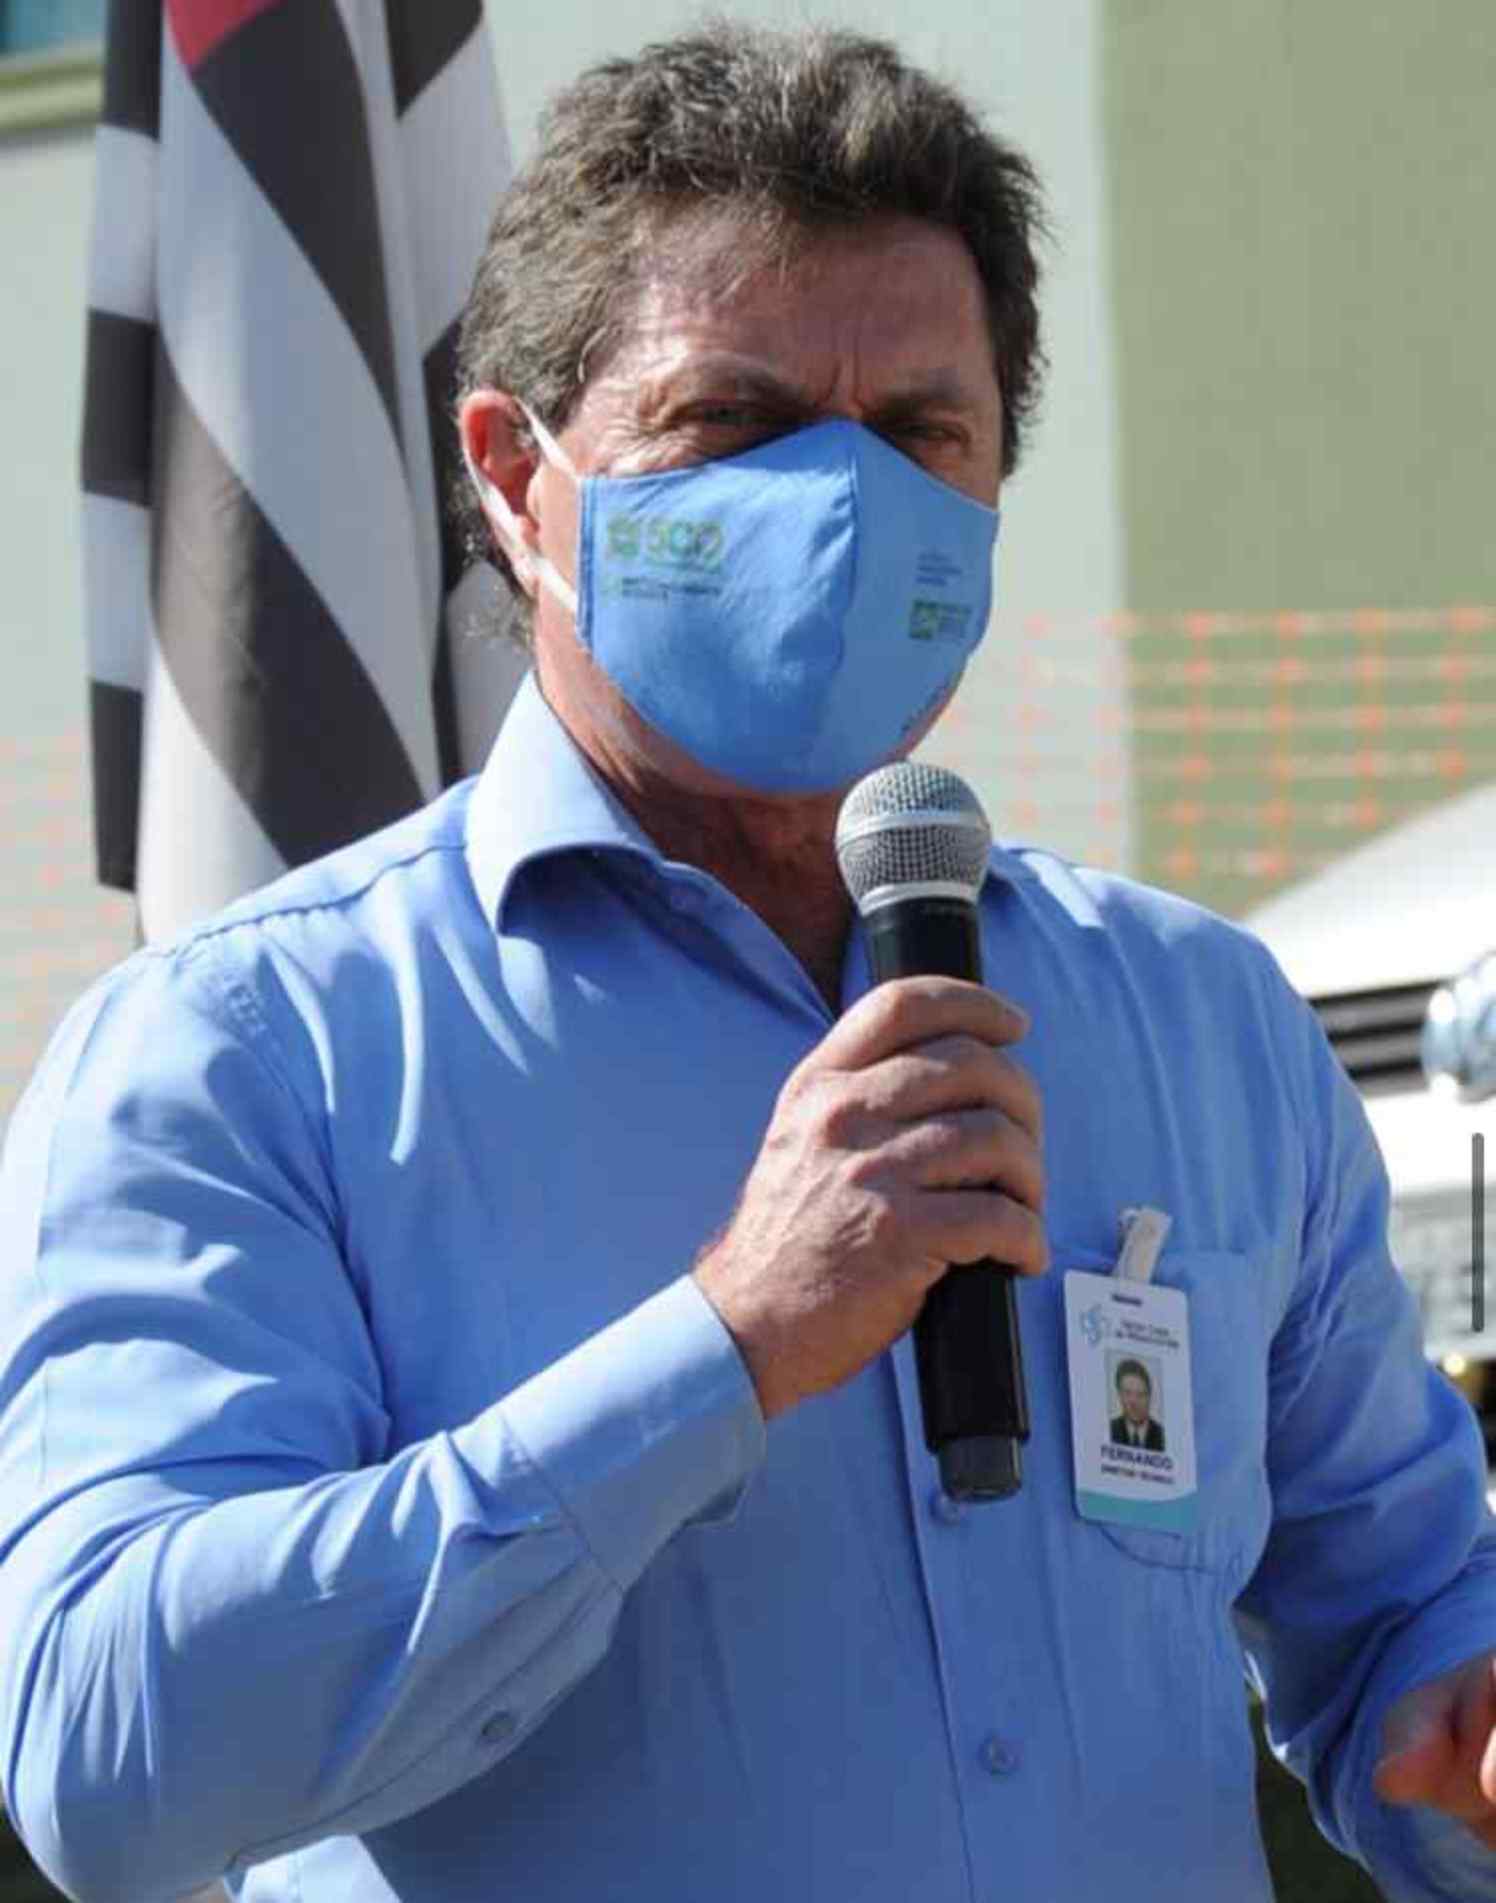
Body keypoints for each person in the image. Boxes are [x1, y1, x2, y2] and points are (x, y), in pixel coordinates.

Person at [2, 22, 1495, 1903]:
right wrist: (726, 1343)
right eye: (735, 423)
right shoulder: (249, 1051)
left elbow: (1407, 1614)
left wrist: (1465, 1731)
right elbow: (106, 1752)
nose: (840, 506)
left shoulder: (1199, 1023)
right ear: (513, 475)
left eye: (920, 436)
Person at [1110, 1359, 1165, 1452]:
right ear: (1119, 1395)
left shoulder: (1162, 1435)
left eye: (1140, 1394)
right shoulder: (1110, 1430)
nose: (1133, 1402)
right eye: (1127, 1393)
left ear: (1149, 1397)